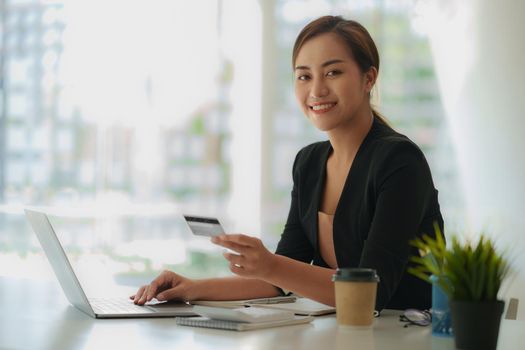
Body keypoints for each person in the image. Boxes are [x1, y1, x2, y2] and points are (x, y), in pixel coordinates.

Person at [131, 15, 444, 311]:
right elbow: (279, 281)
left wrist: (271, 265)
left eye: (333, 72)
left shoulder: (399, 161)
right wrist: (192, 288)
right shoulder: (309, 163)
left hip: (405, 336)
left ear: (368, 78)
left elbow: (369, 293)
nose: (316, 90)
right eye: (304, 76)